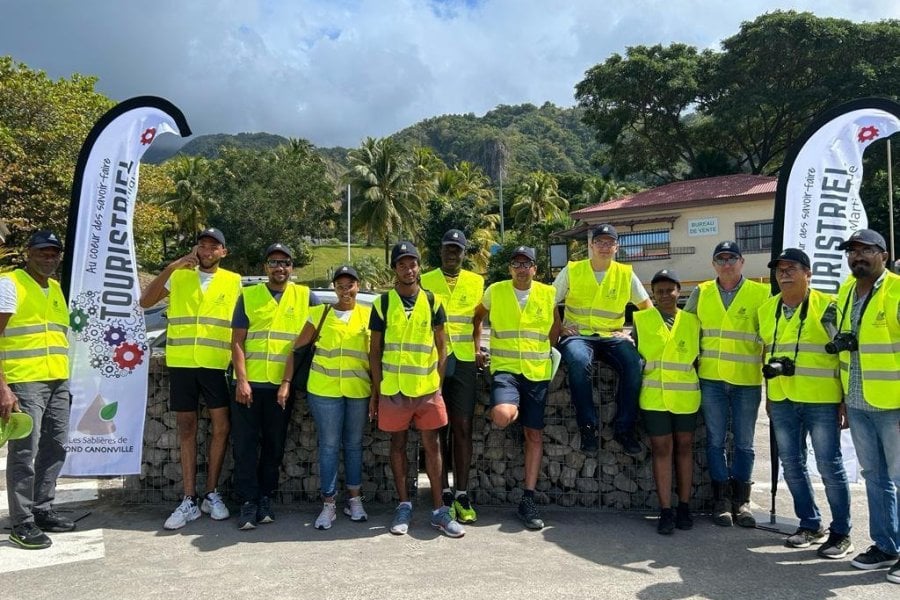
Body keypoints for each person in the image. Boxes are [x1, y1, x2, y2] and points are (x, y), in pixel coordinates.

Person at [140, 228, 241, 530]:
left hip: (215, 365)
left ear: (223, 252)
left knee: (221, 427)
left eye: (214, 247)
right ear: (196, 249)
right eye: (202, 245)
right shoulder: (180, 275)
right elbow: (145, 302)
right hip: (182, 363)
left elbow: (242, 327)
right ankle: (188, 499)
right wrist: (171, 267)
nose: (207, 251)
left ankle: (211, 493)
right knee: (187, 428)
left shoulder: (234, 281)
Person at [758, 248, 853, 558]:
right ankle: (810, 524)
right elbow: (767, 353)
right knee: (792, 465)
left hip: (821, 399)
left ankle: (841, 532)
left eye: (792, 268)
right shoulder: (767, 309)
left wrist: (844, 399)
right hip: (783, 398)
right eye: (780, 269)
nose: (784, 273)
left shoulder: (829, 307)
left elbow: (844, 355)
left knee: (829, 466)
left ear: (808, 273)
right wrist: (770, 394)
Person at [368, 241, 464, 538]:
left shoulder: (433, 301)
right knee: (397, 446)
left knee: (432, 446)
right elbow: (374, 351)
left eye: (413, 264)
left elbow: (441, 345)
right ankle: (404, 505)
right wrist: (377, 389)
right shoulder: (382, 304)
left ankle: (439, 510)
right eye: (402, 264)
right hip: (394, 389)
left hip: (426, 389)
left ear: (419, 267)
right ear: (395, 268)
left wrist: (436, 382)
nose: (408, 270)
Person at [231, 243, 317, 530]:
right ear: (265, 267)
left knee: (274, 446)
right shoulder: (249, 295)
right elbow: (237, 342)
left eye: (285, 263)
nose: (280, 268)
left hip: (282, 387)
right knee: (244, 446)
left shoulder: (306, 296)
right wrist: (242, 380)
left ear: (292, 268)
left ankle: (265, 497)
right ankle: (247, 502)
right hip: (251, 386)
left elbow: (326, 328)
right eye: (274, 262)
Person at [473, 246, 560, 530]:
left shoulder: (548, 294)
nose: (522, 269)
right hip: (507, 371)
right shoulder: (495, 291)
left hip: (536, 373)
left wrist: (553, 351)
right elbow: (478, 316)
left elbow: (554, 328)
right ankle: (509, 407)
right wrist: (476, 347)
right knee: (502, 415)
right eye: (516, 264)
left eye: (527, 264)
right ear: (510, 268)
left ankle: (528, 498)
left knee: (534, 435)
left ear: (535, 269)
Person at [683, 240, 768, 528]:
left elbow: (770, 335)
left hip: (746, 380)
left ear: (742, 262)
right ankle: (721, 500)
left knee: (744, 443)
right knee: (715, 441)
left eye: (732, 259)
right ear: (714, 264)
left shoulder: (761, 293)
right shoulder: (702, 292)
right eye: (721, 259)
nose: (727, 263)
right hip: (712, 378)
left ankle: (741, 501)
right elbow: (687, 328)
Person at [279, 265, 372, 530]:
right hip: (323, 391)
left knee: (354, 445)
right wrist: (286, 382)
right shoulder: (319, 314)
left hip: (357, 390)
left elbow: (375, 356)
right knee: (329, 446)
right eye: (340, 285)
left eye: (350, 284)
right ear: (334, 288)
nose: (346, 290)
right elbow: (296, 350)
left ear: (358, 285)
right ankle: (329, 503)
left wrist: (377, 391)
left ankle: (355, 499)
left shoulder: (368, 315)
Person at [833, 229, 900, 583]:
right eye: (852, 251)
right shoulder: (845, 292)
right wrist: (843, 398)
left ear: (884, 255)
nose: (857, 257)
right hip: (858, 401)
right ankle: (886, 546)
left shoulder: (897, 290)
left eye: (866, 251)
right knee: (875, 478)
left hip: (894, 404)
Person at [0, 230, 73, 549]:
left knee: (55, 446)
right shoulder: (9, 285)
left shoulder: (55, 288)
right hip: (23, 381)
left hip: (58, 380)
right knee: (24, 452)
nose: (49, 257)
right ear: (28, 253)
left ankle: (42, 509)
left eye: (54, 252)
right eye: (43, 251)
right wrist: (3, 388)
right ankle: (22, 522)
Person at [553, 223, 652, 455]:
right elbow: (549, 301)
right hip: (578, 337)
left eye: (610, 243)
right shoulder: (573, 269)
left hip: (611, 337)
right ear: (590, 245)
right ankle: (588, 427)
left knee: (634, 363)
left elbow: (647, 308)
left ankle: (624, 428)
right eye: (600, 242)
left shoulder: (625, 273)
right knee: (579, 362)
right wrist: (560, 330)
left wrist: (631, 335)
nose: (604, 247)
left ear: (617, 247)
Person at [421, 229, 484, 523]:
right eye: (448, 248)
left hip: (465, 360)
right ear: (440, 250)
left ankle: (462, 492)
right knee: (437, 425)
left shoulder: (476, 281)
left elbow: (477, 320)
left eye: (457, 249)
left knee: (463, 426)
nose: (452, 253)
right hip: (436, 360)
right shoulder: (426, 279)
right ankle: (442, 490)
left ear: (463, 253)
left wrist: (477, 347)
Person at [632, 269, 700, 535]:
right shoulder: (642, 319)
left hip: (685, 396)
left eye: (670, 290)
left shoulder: (693, 322)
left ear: (678, 292)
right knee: (661, 450)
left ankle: (684, 506)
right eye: (659, 291)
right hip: (654, 396)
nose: (665, 295)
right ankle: (665, 510)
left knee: (684, 448)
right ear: (653, 294)